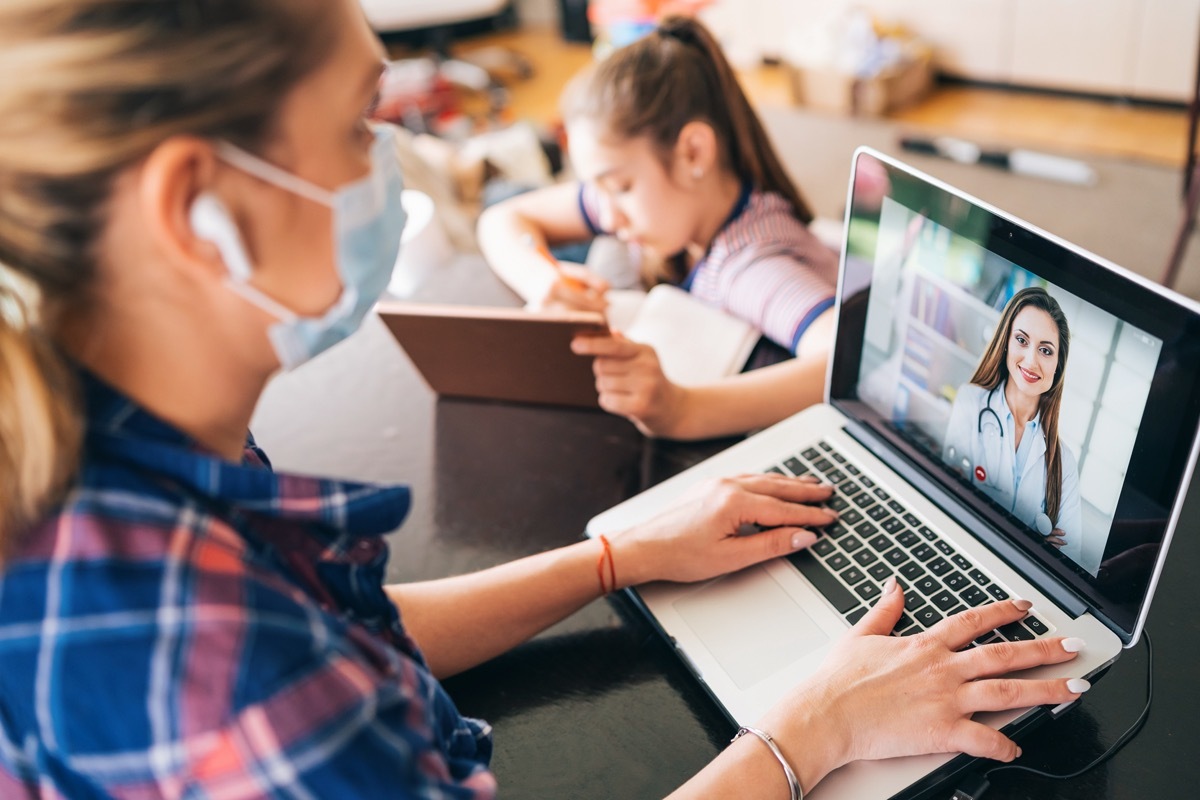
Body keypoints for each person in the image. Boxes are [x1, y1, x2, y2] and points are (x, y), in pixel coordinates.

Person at [0, 2, 1089, 797]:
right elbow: (311, 663)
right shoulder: (235, 680)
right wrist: (813, 727)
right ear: (201, 212)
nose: (395, 157)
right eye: (354, 125)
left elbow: (348, 630)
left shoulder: (121, 438)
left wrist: (619, 555)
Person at [477, 15, 839, 441]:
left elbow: (841, 361)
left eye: (620, 187)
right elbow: (501, 220)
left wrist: (684, 409)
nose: (608, 215)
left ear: (693, 153)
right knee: (502, 194)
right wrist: (544, 280)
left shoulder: (750, 267)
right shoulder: (659, 200)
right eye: (597, 188)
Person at [943, 287, 1083, 560]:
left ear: (1058, 365)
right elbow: (950, 501)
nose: (1031, 361)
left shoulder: (1064, 463)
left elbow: (1070, 560)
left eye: (1045, 350)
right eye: (1021, 340)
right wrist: (1034, 540)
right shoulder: (970, 402)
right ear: (1006, 342)